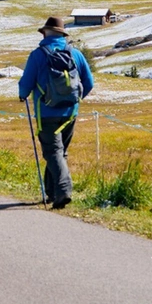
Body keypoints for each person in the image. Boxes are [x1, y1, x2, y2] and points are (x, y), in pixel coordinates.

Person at [18, 16, 94, 209]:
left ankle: (64, 190)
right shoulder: (75, 54)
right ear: (62, 34)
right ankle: (51, 193)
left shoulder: (37, 55)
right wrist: (75, 101)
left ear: (45, 33)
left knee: (53, 152)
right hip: (70, 113)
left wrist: (22, 94)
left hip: (46, 112)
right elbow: (89, 82)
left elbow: (26, 83)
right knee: (59, 153)